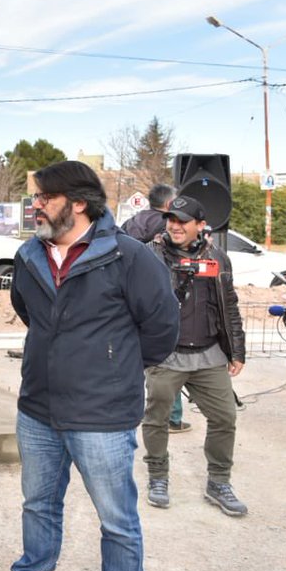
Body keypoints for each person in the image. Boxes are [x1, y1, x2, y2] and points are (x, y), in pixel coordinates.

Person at [0, 161, 179, 571]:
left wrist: (113, 369)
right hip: (38, 408)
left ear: (77, 203)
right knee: (38, 504)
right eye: (34, 197)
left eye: (44, 197)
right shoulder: (28, 255)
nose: (35, 206)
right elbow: (31, 314)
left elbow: (161, 329)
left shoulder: (129, 256)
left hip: (102, 415)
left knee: (117, 521)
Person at [141, 196, 248, 516]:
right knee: (156, 418)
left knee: (225, 418)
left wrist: (236, 350)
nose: (174, 225)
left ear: (200, 226)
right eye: (170, 219)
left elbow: (229, 304)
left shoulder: (218, 257)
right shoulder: (150, 255)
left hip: (209, 354)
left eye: (182, 220)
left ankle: (219, 481)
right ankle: (157, 477)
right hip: (166, 354)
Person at [121, 184, 189, 432]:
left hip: (130, 299)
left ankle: (137, 409)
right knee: (169, 360)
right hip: (162, 295)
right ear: (170, 205)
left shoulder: (132, 222)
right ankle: (173, 417)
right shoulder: (167, 226)